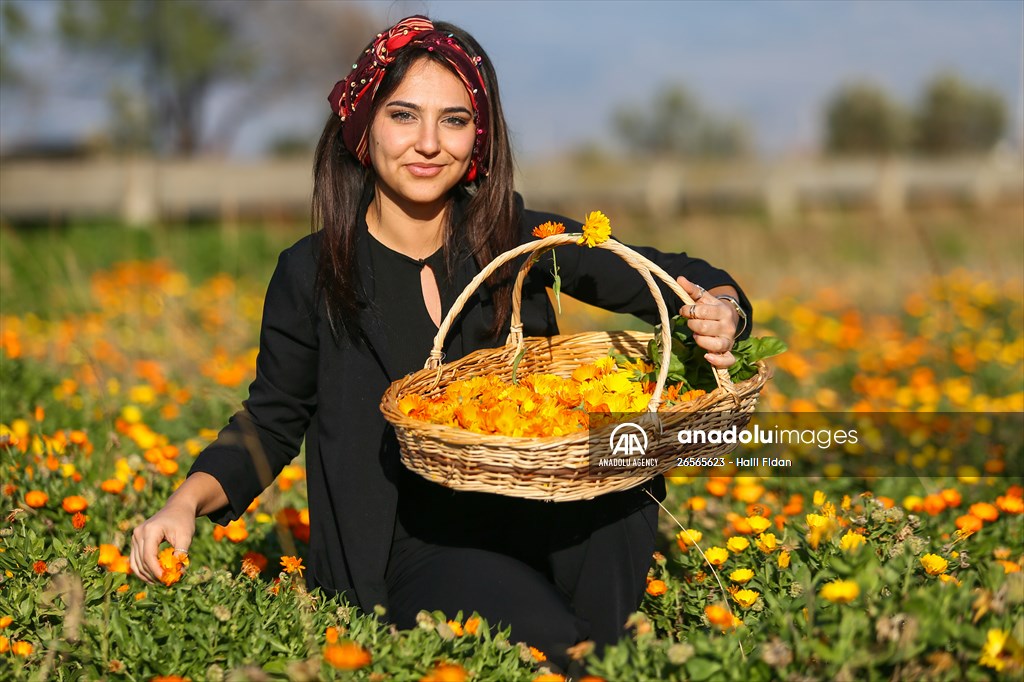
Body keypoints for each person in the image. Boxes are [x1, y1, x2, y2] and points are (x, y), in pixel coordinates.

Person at [130, 15, 751, 674]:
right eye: (404, 115)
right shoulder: (312, 271)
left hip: (542, 509)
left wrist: (722, 312)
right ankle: (583, 656)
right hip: (413, 545)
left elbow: (677, 276)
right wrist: (183, 504)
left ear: (478, 139)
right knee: (552, 640)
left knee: (626, 481)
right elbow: (272, 418)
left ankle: (599, 656)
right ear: (363, 126)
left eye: (454, 121)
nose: (428, 143)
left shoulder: (519, 237)